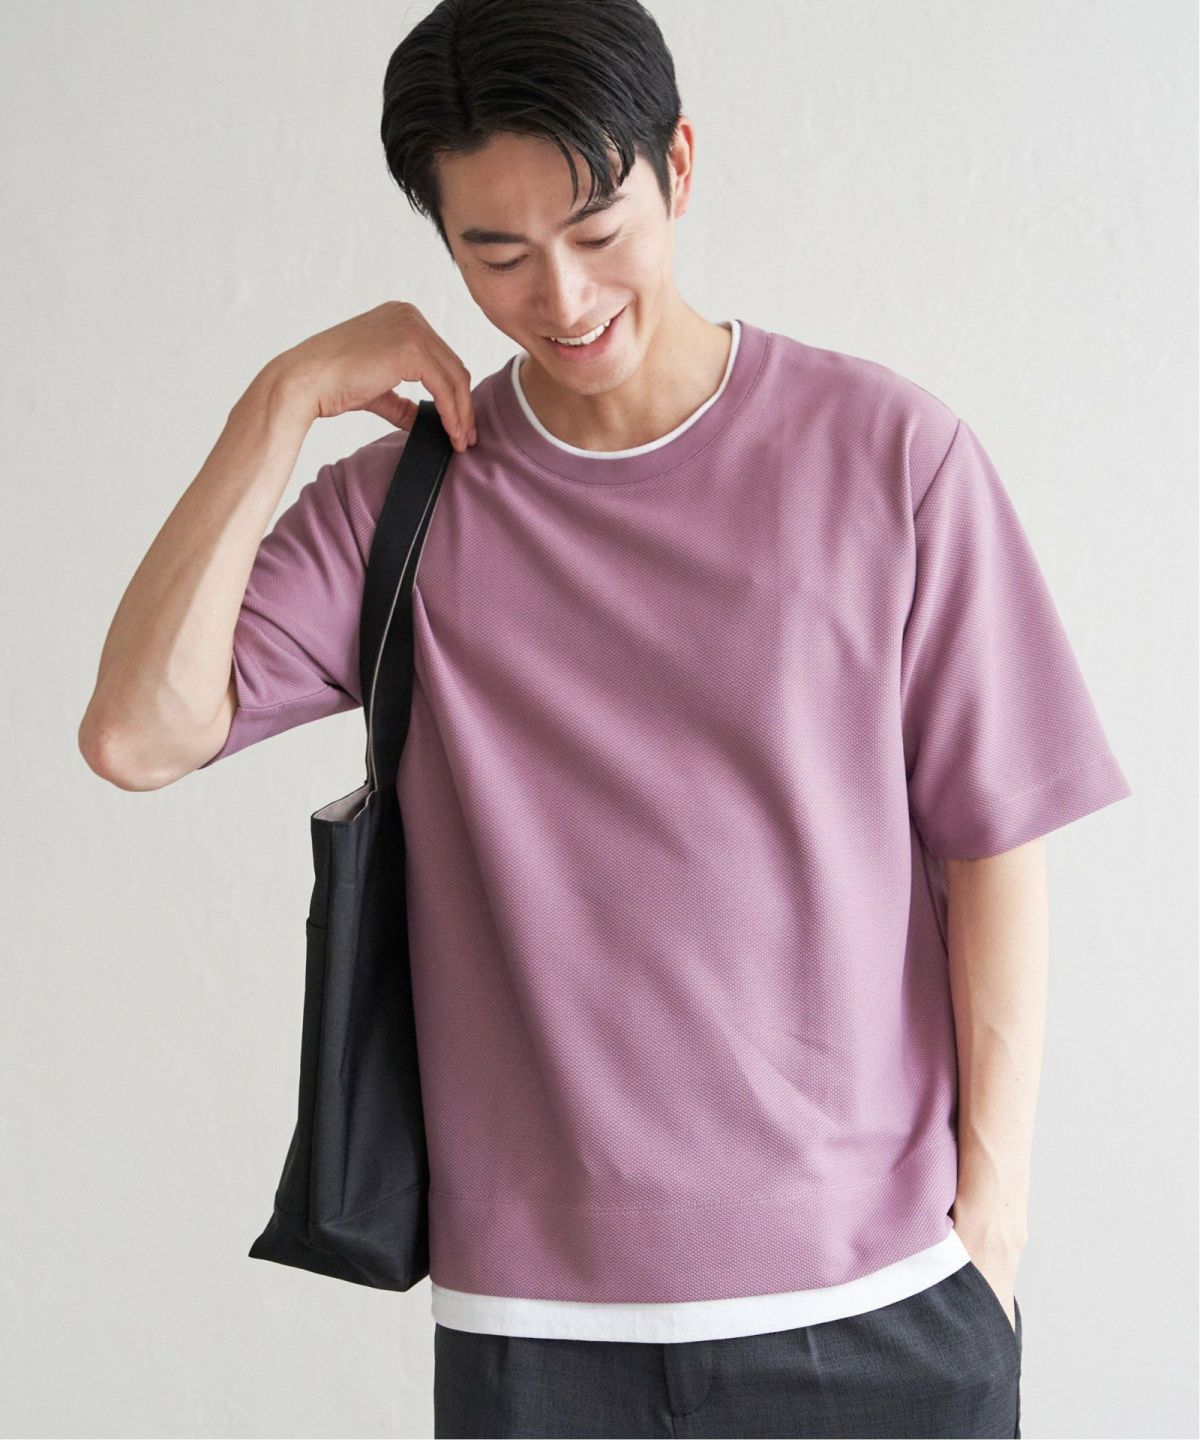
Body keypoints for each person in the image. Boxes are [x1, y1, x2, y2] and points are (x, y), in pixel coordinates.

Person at [78, 1, 1132, 1435]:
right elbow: (136, 736)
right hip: (538, 1336)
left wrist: (990, 1234)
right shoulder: (411, 503)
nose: (563, 298)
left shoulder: (889, 457)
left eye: (595, 229)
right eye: (497, 255)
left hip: (879, 1305)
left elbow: (993, 838)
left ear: (677, 165)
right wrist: (281, 403)